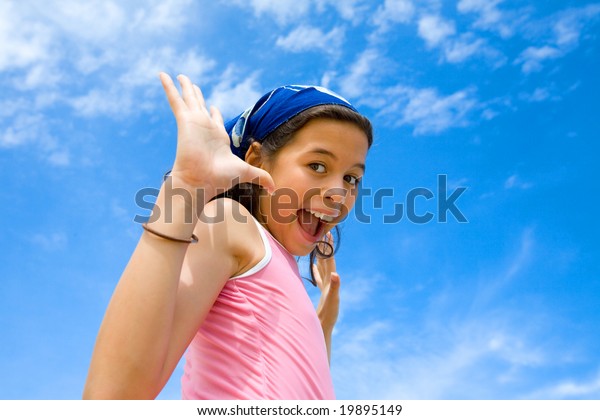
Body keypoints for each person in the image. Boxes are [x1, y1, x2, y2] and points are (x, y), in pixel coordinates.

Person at [83, 73, 373, 399]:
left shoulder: (272, 260)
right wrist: (186, 189)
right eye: (318, 166)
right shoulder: (230, 223)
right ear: (256, 160)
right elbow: (112, 398)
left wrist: (322, 329)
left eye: (351, 178)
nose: (339, 192)